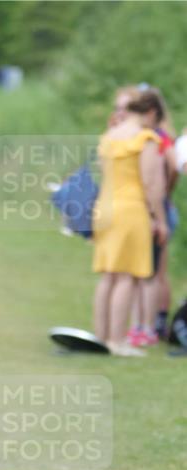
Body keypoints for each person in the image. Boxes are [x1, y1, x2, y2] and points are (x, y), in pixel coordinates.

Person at [92, 90, 168, 357]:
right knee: (126, 276)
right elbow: (151, 184)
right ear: (151, 113)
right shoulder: (145, 139)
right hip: (130, 210)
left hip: (104, 207)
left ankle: (101, 336)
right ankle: (117, 341)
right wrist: (160, 220)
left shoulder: (109, 137)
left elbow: (103, 173)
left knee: (108, 276)